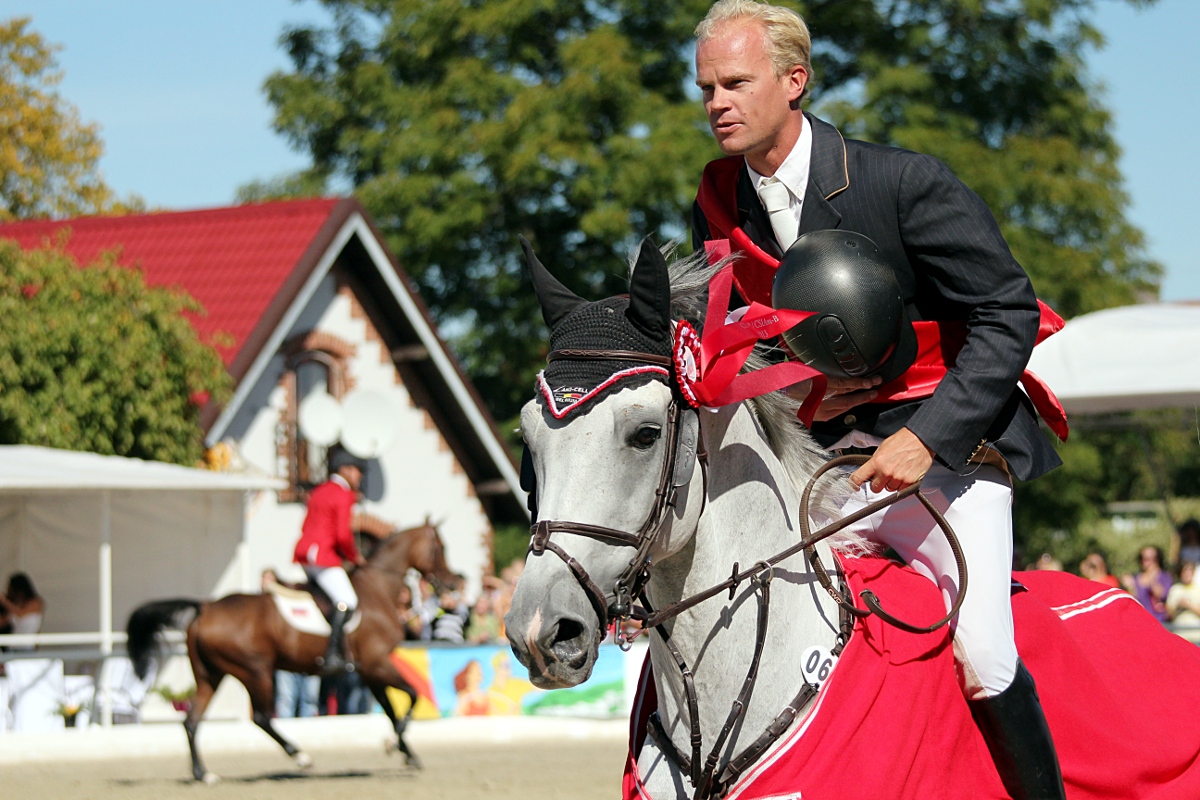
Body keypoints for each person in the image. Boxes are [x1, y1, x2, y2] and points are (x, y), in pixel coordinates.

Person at [690, 3, 1066, 797]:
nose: (717, 102)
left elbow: (1009, 312)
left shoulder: (904, 181)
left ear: (795, 81)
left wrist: (928, 438)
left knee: (986, 652)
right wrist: (800, 400)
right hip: (830, 462)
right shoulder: (720, 198)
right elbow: (752, 338)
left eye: (735, 82)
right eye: (706, 88)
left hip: (955, 448)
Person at [292, 448, 368, 675]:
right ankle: (331, 655)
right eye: (357, 471)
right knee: (348, 600)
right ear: (344, 470)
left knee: (327, 597)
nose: (360, 476)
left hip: (305, 553)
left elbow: (305, 525)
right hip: (322, 555)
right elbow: (343, 535)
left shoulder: (319, 490)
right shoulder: (344, 494)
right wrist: (355, 557)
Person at [1121, 546, 1172, 623]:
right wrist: (1130, 586)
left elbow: (1163, 595)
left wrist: (1152, 580)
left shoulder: (1165, 577)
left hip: (1160, 622)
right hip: (1140, 622)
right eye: (1146, 559)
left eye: (1154, 558)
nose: (1150, 562)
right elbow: (1133, 601)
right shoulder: (1135, 579)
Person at [0, 572, 45, 650]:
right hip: (12, 647)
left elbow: (21, 614)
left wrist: (5, 601)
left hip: (27, 647)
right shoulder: (16, 605)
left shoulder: (36, 602)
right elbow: (4, 621)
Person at [1166, 560, 1200, 628]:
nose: (1187, 574)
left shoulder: (1198, 589)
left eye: (1190, 571)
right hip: (1179, 628)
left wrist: (1188, 605)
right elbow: (1168, 614)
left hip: (1196, 629)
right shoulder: (1175, 589)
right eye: (1185, 571)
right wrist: (1178, 606)